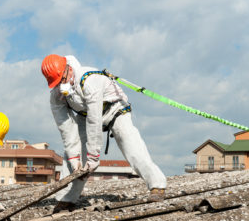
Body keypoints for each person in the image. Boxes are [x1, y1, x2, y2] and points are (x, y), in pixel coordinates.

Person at [41, 54, 167, 212]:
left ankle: (157, 185)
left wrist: (93, 156)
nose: (61, 85)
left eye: (62, 79)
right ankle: (66, 199)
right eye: (56, 83)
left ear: (69, 69)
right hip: (84, 115)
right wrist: (74, 158)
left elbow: (95, 119)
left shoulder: (88, 80)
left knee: (129, 142)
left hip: (114, 109)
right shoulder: (56, 96)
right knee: (72, 155)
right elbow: (66, 128)